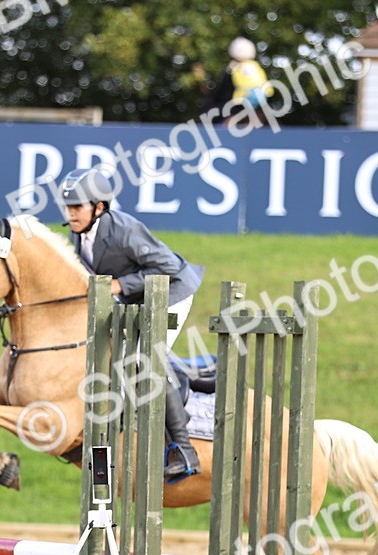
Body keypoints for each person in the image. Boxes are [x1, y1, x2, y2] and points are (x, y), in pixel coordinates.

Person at [59, 167, 206, 482]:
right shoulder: (80, 231)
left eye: (77, 207)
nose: (70, 213)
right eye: (67, 207)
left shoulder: (125, 230)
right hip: (136, 300)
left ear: (99, 207)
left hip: (173, 292)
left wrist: (119, 285)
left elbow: (169, 266)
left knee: (145, 358)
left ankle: (183, 450)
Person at [204, 37, 273, 123]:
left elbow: (223, 93)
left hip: (236, 109)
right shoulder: (257, 68)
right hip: (257, 110)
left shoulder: (232, 69)